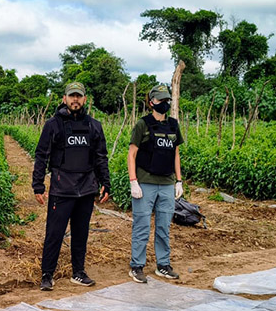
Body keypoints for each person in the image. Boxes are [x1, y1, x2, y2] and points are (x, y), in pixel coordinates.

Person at [33, 81, 110, 291]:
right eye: (71, 96)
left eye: (79, 96)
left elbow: (100, 156)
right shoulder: (53, 125)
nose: (75, 99)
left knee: (81, 233)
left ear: (85, 99)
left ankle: (79, 272)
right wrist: (38, 185)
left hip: (86, 189)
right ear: (64, 98)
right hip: (61, 189)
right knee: (54, 233)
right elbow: (42, 155)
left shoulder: (94, 125)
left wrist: (106, 182)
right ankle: (47, 274)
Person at [127, 84, 184, 283]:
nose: (164, 103)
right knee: (142, 226)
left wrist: (179, 181)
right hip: (146, 182)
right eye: (161, 100)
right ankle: (136, 266)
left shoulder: (173, 125)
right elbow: (132, 154)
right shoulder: (143, 124)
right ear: (151, 102)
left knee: (164, 227)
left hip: (167, 183)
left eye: (167, 100)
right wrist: (133, 181)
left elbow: (176, 154)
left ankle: (163, 265)